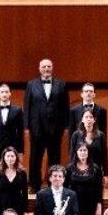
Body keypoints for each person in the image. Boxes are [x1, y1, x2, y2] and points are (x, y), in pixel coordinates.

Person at [25, 59, 70, 188]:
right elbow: (27, 105)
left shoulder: (61, 85)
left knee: (55, 158)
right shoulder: (31, 84)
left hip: (55, 128)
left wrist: (66, 125)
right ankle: (34, 184)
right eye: (44, 66)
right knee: (35, 158)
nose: (46, 69)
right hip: (36, 127)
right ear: (39, 68)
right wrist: (27, 126)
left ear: (52, 68)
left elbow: (65, 107)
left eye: (49, 66)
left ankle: (54, 184)